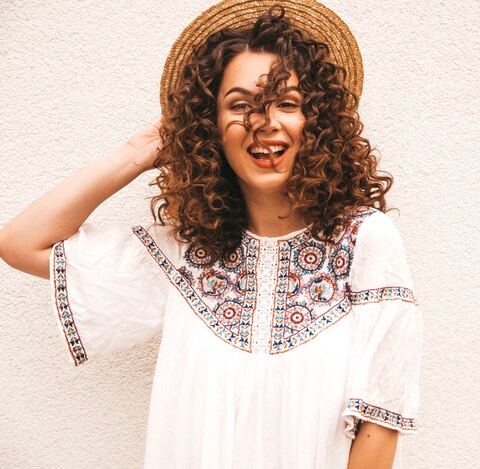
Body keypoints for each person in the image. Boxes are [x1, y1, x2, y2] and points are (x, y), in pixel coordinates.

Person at [0, 1, 423, 468]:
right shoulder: (183, 254)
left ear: (317, 123)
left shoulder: (366, 240)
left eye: (287, 103)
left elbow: (381, 422)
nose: (265, 122)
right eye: (240, 105)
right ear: (212, 127)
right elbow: (21, 244)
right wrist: (137, 152)